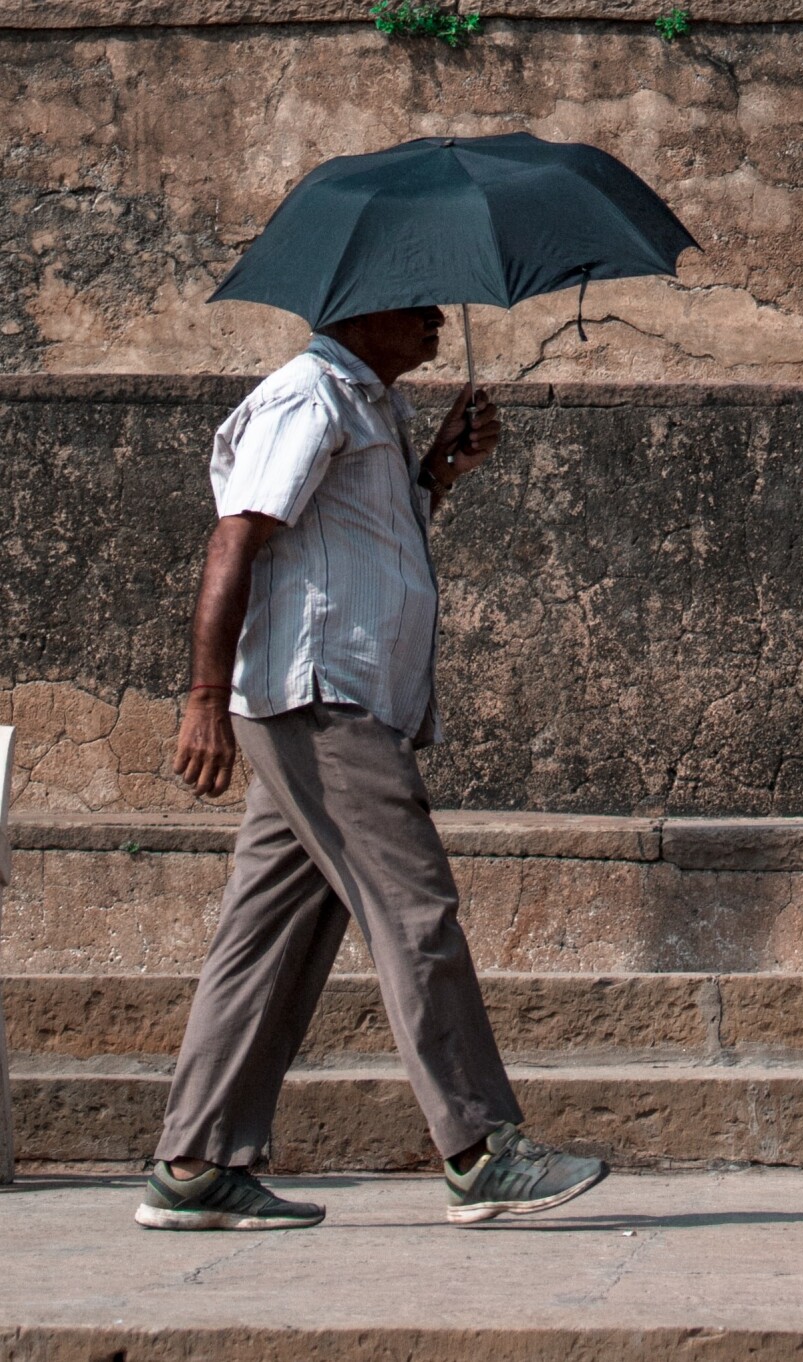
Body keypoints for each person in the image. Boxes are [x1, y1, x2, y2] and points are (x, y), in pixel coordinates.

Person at [138, 306, 607, 1230]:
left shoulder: (369, 411)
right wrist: (202, 698)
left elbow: (356, 543)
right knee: (414, 909)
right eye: (418, 303)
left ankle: (194, 1162)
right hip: (321, 702)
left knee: (269, 936)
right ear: (359, 315)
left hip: (338, 702)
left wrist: (436, 472)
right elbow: (235, 540)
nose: (437, 319)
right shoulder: (307, 399)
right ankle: (480, 1149)